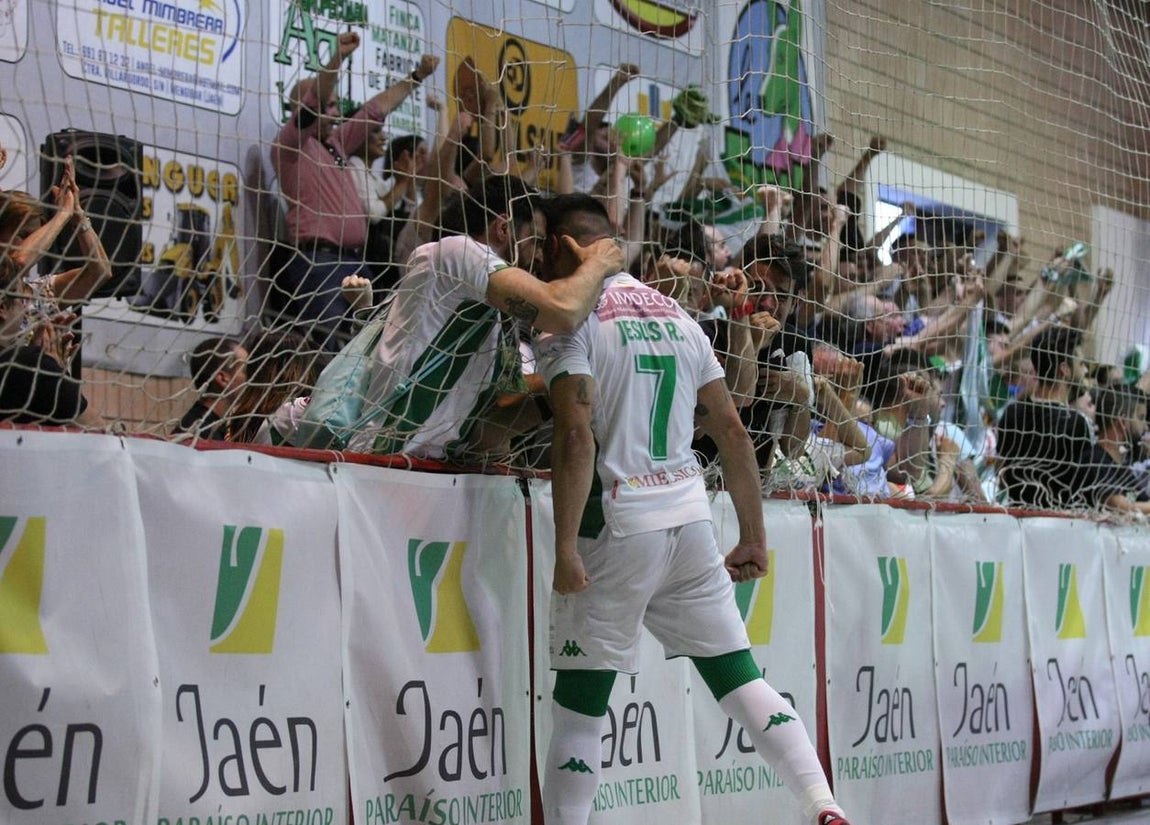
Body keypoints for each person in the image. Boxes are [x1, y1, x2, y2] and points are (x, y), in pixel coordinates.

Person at [534, 194, 850, 825]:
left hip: (617, 526)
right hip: (689, 519)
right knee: (741, 680)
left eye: (541, 244)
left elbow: (575, 436)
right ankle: (825, 806)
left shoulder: (566, 320)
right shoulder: (678, 315)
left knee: (580, 706)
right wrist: (754, 537)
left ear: (568, 247)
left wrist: (566, 547)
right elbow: (732, 429)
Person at [340, 176, 624, 458]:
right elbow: (563, 310)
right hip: (385, 458)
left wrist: (573, 375)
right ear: (503, 228)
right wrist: (597, 263)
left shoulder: (493, 312)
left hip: (429, 468)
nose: (539, 257)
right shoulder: (458, 252)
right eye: (535, 241)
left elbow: (490, 425)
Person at [271, 29, 438, 349]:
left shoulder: (336, 144)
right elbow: (316, 99)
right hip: (318, 264)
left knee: (368, 350)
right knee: (330, 348)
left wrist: (416, 76)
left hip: (355, 264)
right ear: (301, 109)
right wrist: (338, 58)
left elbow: (375, 110)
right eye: (330, 106)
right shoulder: (289, 146)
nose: (335, 113)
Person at [172, 336, 248, 440]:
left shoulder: (218, 426)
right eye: (246, 370)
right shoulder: (200, 434)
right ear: (223, 378)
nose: (253, 377)